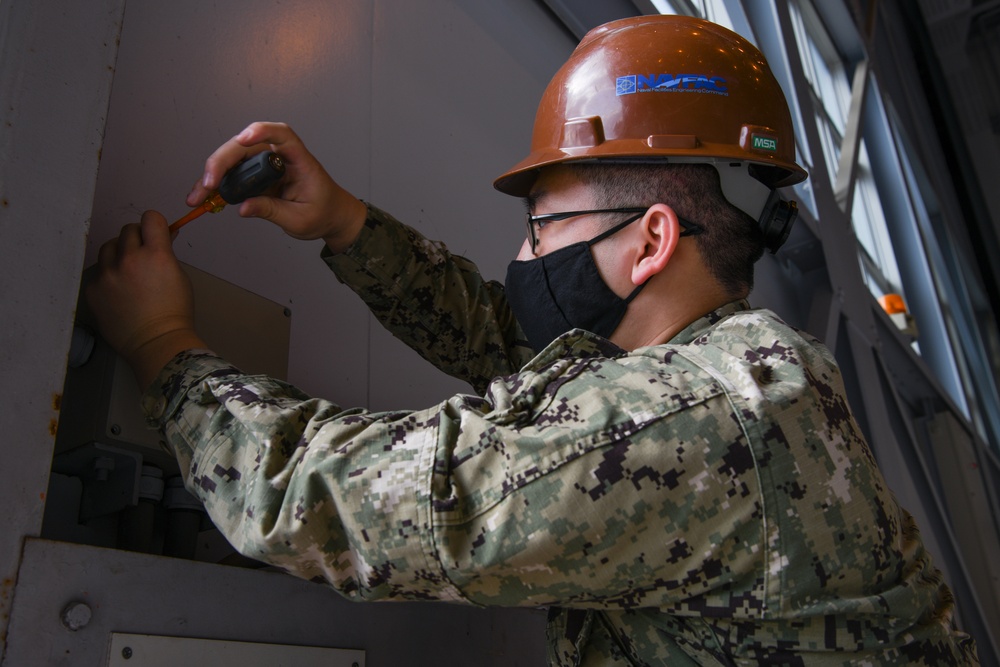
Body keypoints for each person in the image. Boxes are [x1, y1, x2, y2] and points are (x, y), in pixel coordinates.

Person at [86, 15, 979, 666]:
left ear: (652, 241)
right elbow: (510, 340)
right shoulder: (733, 369)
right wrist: (345, 224)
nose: (525, 255)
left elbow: (342, 503)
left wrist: (163, 344)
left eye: (542, 226)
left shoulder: (703, 412)